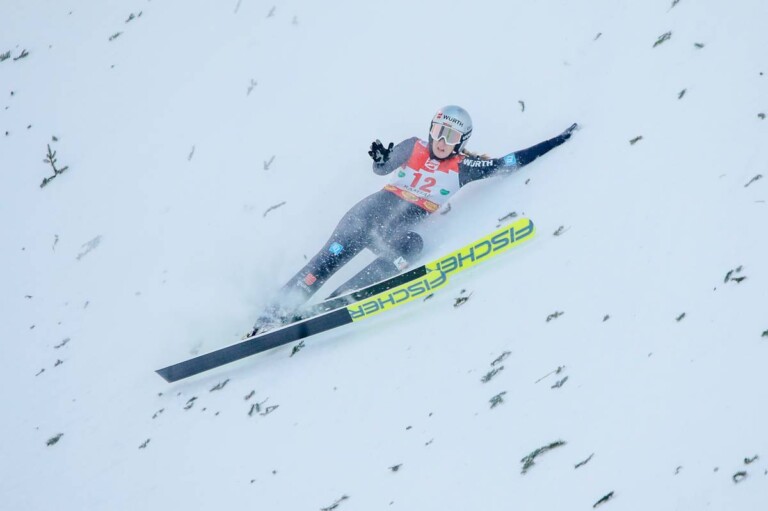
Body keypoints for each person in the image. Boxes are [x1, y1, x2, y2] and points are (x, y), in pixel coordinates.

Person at [253, 105, 577, 332]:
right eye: (438, 131)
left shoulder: (464, 168)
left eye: (450, 137)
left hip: (394, 231)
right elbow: (381, 169)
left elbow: (510, 161)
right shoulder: (413, 146)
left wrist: (556, 140)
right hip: (367, 215)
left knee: (413, 243)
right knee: (327, 259)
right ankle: (272, 314)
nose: (440, 141)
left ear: (461, 142)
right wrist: (381, 159)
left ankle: (337, 303)